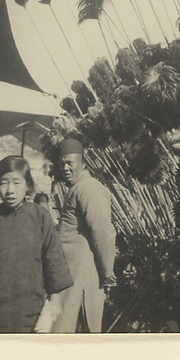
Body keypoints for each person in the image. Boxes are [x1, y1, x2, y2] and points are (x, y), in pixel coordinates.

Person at [0, 156, 73, 333]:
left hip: (29, 308)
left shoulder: (40, 216)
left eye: (16, 183)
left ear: (27, 185)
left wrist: (54, 303)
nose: (10, 190)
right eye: (4, 183)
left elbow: (53, 258)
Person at [53, 138, 116, 333]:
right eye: (61, 163)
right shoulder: (76, 188)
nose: (65, 168)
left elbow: (102, 231)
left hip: (82, 277)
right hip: (70, 275)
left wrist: (108, 274)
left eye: (70, 163)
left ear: (83, 163)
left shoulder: (89, 188)